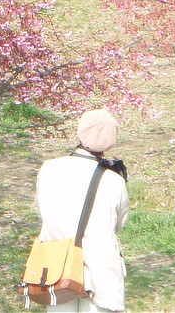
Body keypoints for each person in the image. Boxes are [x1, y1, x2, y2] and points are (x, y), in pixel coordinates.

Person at [35, 108, 130, 312]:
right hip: (100, 271)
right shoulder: (114, 180)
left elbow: (43, 208)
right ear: (111, 142)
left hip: (57, 268)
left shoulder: (49, 169)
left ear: (79, 132)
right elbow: (119, 223)